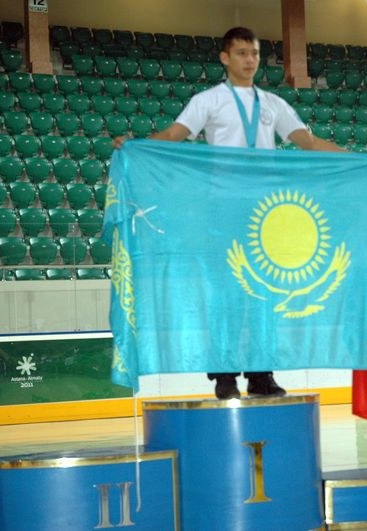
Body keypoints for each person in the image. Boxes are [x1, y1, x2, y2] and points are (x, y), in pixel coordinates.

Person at [114, 26, 344, 399]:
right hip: (221, 210)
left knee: (264, 292)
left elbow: (308, 141)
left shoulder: (272, 104)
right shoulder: (209, 100)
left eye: (253, 53)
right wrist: (137, 145)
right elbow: (175, 135)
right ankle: (224, 374)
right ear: (225, 58)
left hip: (265, 214)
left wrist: (359, 160)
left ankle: (260, 373)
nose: (249, 60)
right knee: (224, 293)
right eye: (241, 53)